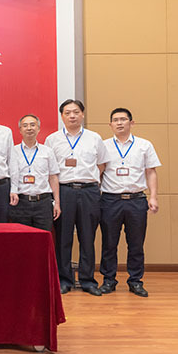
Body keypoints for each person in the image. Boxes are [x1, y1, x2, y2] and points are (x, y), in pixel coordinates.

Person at [45, 99, 110, 296]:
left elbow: (102, 164)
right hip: (64, 191)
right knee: (63, 238)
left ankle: (87, 280)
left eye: (75, 112)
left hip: (89, 191)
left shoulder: (94, 138)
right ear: (62, 116)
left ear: (82, 114)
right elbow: (49, 169)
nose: (72, 116)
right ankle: (64, 280)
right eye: (67, 113)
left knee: (87, 237)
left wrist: (87, 180)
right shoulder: (52, 139)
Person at [99, 107, 161, 297]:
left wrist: (153, 196)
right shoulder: (103, 146)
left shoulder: (144, 145)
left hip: (136, 200)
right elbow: (98, 172)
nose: (119, 123)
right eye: (115, 120)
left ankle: (135, 281)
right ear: (110, 124)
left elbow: (151, 172)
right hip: (110, 200)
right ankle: (109, 280)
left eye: (123, 119)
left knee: (136, 244)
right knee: (109, 243)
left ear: (131, 123)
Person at [8, 114, 61, 231]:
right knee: (21, 238)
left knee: (43, 238)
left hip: (43, 202)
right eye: (25, 125)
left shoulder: (47, 151)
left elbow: (53, 177)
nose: (29, 128)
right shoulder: (12, 152)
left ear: (38, 128)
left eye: (33, 125)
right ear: (20, 130)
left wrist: (57, 203)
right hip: (20, 202)